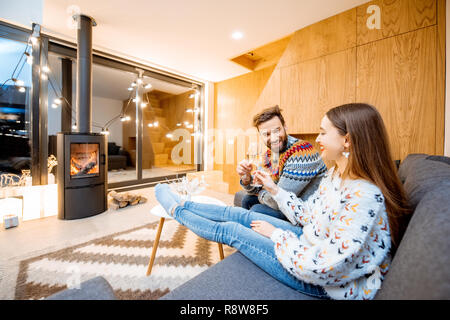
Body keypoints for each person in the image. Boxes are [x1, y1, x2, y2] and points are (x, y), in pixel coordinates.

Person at [154, 103, 411, 300]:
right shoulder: (337, 175)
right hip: (311, 240)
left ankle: (177, 210)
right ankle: (184, 203)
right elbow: (307, 213)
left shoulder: (363, 196)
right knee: (244, 213)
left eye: (323, 132)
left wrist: (277, 234)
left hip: (324, 281)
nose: (317, 139)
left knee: (234, 229)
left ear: (347, 140)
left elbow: (324, 268)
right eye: (266, 133)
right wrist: (256, 183)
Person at [237, 105, 327, 219]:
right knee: (247, 199)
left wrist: (260, 193)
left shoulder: (302, 153)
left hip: (307, 212)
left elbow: (276, 201)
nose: (273, 138)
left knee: (257, 210)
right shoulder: (270, 155)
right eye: (266, 134)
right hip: (287, 205)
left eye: (277, 130)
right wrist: (246, 179)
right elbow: (256, 188)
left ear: (285, 126)